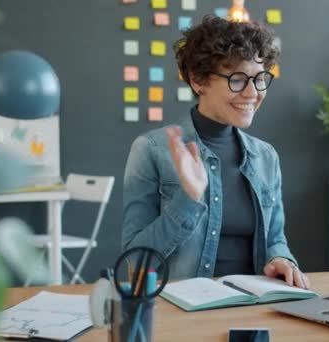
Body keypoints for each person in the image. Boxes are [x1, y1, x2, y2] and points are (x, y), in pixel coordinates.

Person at [121, 14, 309, 289]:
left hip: (255, 304)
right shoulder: (151, 149)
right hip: (184, 308)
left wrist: (282, 259)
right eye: (237, 79)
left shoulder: (266, 156)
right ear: (198, 80)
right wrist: (188, 199)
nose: (252, 93)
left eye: (259, 79)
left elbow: (275, 239)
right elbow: (136, 262)